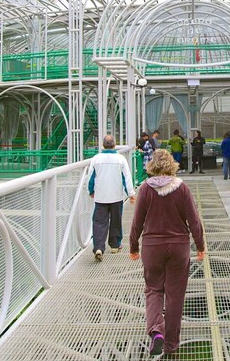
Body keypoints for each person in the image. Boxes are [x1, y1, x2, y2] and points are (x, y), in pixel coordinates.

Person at [129, 149, 206, 357]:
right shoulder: (182, 188)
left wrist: (133, 247)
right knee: (175, 296)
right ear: (172, 165)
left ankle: (156, 332)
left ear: (151, 165)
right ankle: (171, 344)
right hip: (179, 247)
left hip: (152, 247)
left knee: (153, 289)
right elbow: (194, 220)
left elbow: (137, 222)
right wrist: (200, 245)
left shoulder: (145, 189)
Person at [88, 134, 136, 261]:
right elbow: (127, 177)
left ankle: (98, 247)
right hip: (116, 196)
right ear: (114, 144)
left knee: (99, 222)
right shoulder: (120, 159)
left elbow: (90, 177)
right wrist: (131, 193)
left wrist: (91, 190)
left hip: (100, 196)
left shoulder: (96, 158)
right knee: (116, 220)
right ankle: (115, 245)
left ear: (103, 145)